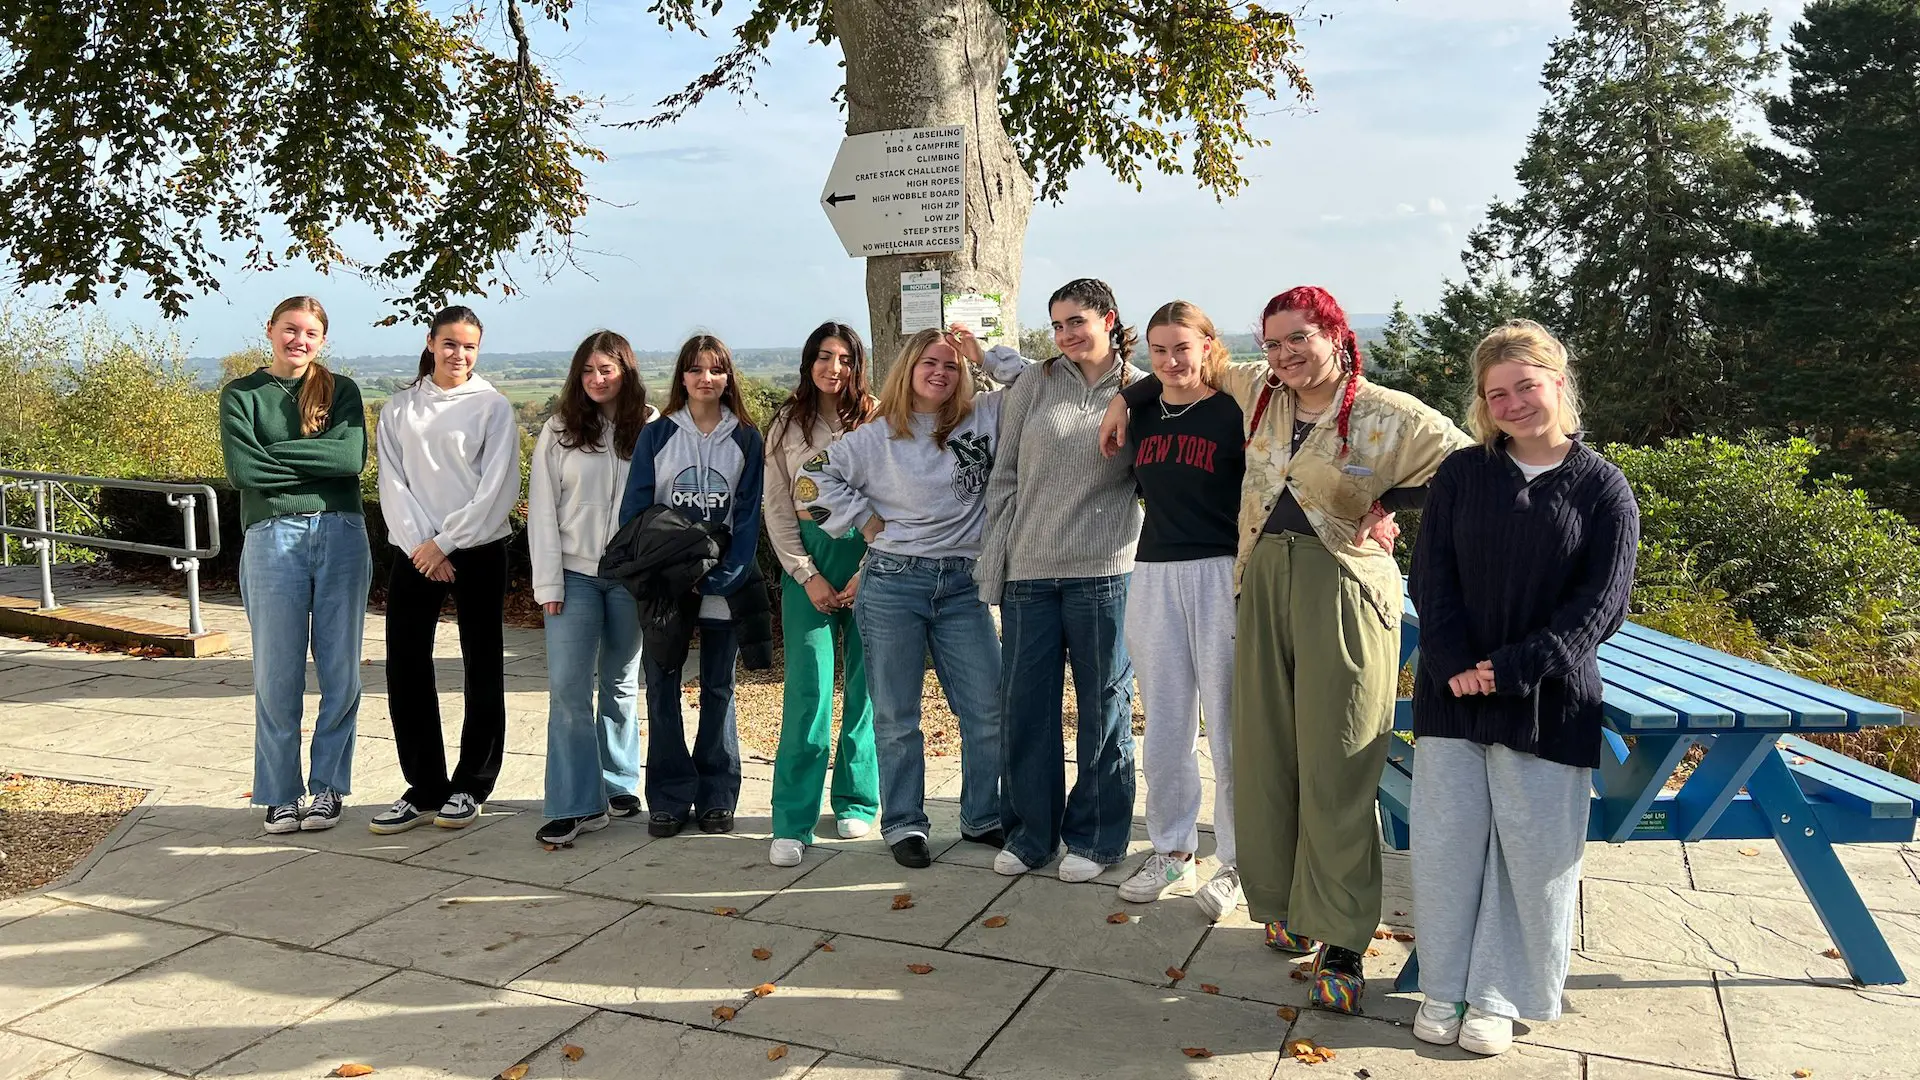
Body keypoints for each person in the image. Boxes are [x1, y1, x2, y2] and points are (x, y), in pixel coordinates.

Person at [1100, 285, 1469, 1013]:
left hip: (1342, 589)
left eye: (1299, 338)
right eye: (1272, 342)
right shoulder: (1260, 389)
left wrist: (1388, 505)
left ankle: (1342, 937)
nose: (1285, 354)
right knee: (1270, 753)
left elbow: (1464, 464)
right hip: (1259, 579)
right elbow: (1185, 363)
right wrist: (1125, 399)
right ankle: (1289, 902)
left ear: (1335, 334)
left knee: (1337, 761)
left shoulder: (1386, 413)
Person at [1407, 320, 1638, 1055]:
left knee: (1532, 860)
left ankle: (1500, 996)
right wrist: (1451, 664)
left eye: (1525, 386)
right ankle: (1443, 987)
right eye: (1496, 393)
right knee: (1446, 849)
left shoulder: (1604, 488)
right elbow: (1430, 575)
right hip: (1451, 697)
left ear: (1558, 384)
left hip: (1547, 703)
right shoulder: (1463, 473)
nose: (1512, 403)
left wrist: (1505, 670)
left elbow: (1600, 608)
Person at [799, 325, 1026, 869]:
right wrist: (866, 524)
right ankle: (904, 823)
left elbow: (1037, 382)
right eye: (930, 362)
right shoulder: (875, 438)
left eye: (951, 365)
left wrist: (984, 354)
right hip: (894, 583)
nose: (941, 373)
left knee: (989, 708)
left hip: (963, 586)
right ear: (908, 368)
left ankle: (981, 816)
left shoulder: (985, 416)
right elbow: (809, 484)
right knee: (897, 716)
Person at [977, 278, 1143, 885]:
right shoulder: (1034, 383)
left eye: (1077, 321)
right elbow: (1005, 478)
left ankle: (1098, 838)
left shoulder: (1140, 389)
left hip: (1104, 573)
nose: (1067, 334)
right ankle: (1029, 835)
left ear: (1108, 318)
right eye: (1056, 325)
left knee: (1105, 709)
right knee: (1026, 709)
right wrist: (999, 562)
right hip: (1031, 573)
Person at [1112, 300, 1245, 920]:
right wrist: (1128, 398)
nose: (1170, 361)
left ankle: (1241, 861)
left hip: (1222, 570)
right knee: (1165, 722)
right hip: (1154, 570)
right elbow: (1145, 389)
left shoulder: (1236, 411)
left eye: (1182, 348)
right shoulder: (1144, 411)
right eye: (1158, 350)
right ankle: (1171, 849)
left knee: (1228, 723)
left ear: (1207, 346)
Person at [219, 296, 372, 833]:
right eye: (290, 330)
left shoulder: (341, 392)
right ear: (271, 330)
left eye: (310, 333)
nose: (299, 340)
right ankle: (280, 793)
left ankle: (329, 788)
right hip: (270, 538)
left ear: (322, 340)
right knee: (276, 674)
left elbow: (349, 460)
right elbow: (243, 471)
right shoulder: (241, 394)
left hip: (342, 536)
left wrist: (273, 454)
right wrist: (312, 462)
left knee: (341, 672)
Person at [371, 306, 521, 835]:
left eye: (470, 347)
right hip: (415, 552)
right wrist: (422, 546)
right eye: (451, 344)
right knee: (406, 666)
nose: (460, 355)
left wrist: (447, 542)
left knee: (483, 665)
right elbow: (392, 483)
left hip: (478, 549)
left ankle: (472, 785)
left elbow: (499, 487)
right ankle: (425, 785)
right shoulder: (398, 409)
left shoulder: (492, 407)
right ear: (431, 343)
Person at [618, 333, 765, 839]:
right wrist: (668, 573)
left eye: (717, 369)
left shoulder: (746, 437)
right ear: (682, 376)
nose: (707, 378)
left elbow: (748, 515)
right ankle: (668, 795)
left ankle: (717, 793)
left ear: (728, 377)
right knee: (661, 687)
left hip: (724, 583)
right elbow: (635, 511)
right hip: (667, 587)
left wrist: (727, 573)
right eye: (697, 369)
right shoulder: (657, 436)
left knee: (719, 686)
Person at [527, 330, 660, 846]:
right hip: (574, 578)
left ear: (625, 371)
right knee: (567, 691)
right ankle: (574, 803)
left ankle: (618, 780)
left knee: (622, 683)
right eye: (587, 371)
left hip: (630, 579)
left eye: (606, 369)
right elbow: (541, 510)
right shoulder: (560, 430)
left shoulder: (650, 426)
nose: (596, 379)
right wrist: (547, 583)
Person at [763, 322, 881, 867]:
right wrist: (805, 572)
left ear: (857, 364)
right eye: (823, 357)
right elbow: (777, 507)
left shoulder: (878, 417)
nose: (834, 368)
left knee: (866, 686)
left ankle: (858, 797)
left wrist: (869, 567)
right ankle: (792, 819)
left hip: (869, 556)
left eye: (844, 358)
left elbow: (895, 497)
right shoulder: (787, 424)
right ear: (808, 361)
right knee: (808, 690)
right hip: (806, 560)